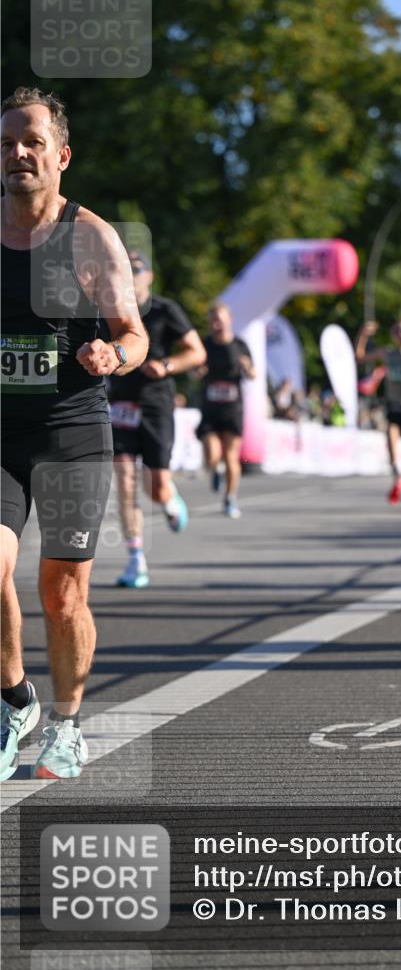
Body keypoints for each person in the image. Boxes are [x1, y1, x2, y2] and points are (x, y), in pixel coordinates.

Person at [1, 87, 148, 780]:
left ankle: (65, 725)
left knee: (62, 594)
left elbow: (134, 333)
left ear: (60, 155)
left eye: (31, 141)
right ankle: (13, 700)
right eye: (6, 144)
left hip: (70, 430)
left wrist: (113, 354)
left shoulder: (89, 236)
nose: (17, 153)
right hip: (0, 432)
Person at [110, 251, 206, 588]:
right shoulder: (109, 309)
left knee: (156, 485)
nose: (131, 277)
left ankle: (169, 497)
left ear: (149, 276)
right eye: (126, 271)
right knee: (124, 481)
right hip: (119, 403)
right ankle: (136, 558)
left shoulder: (166, 310)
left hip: (156, 405)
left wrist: (166, 366)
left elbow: (197, 351)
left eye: (137, 271)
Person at [355, 319, 401, 514]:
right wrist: (363, 335)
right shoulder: (387, 353)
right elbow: (360, 357)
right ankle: (399, 481)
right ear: (394, 335)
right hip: (394, 409)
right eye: (399, 331)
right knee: (394, 456)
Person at [197, 303, 255, 518]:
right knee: (212, 455)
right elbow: (194, 371)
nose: (216, 324)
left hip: (232, 407)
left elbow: (254, 374)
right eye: (212, 320)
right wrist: (198, 371)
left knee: (231, 456)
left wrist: (247, 368)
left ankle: (230, 498)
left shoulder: (240, 345)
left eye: (219, 320)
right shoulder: (204, 345)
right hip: (211, 407)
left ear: (229, 320)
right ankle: (215, 470)